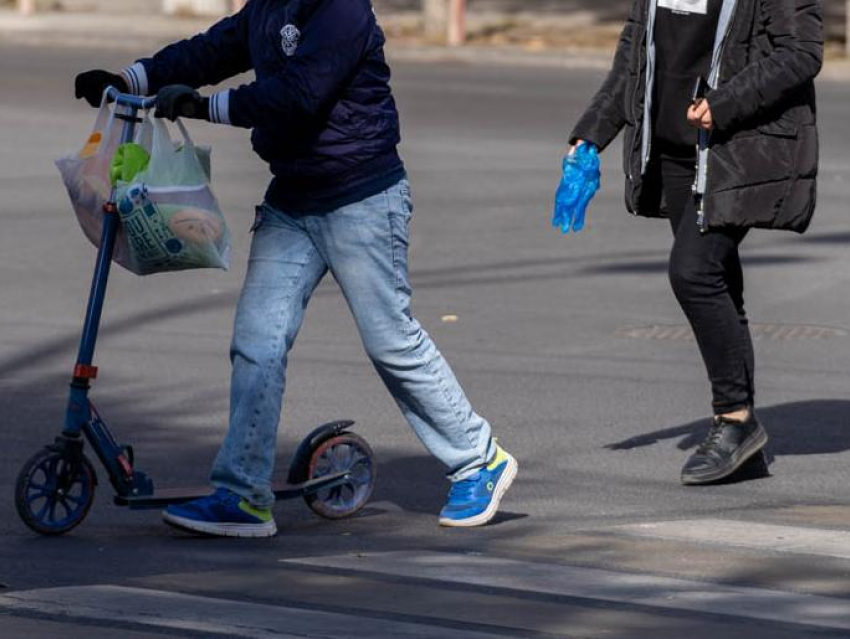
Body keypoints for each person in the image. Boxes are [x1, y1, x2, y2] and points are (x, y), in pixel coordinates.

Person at [74, 0, 516, 536]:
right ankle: (244, 495)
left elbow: (300, 92)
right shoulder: (268, 5)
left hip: (362, 197)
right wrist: (129, 77)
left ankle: (478, 458)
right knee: (257, 340)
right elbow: (213, 48)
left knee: (390, 341)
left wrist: (203, 107)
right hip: (294, 197)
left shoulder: (341, 8)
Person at [567, 0, 821, 484]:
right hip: (677, 152)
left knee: (694, 272)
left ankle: (734, 419)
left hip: (737, 147)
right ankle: (743, 439)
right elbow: (634, 59)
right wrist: (590, 136)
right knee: (719, 280)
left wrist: (725, 103)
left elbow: (801, 52)